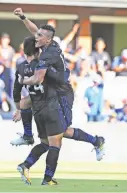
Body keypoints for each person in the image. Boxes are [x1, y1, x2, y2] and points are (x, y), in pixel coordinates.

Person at [12, 8, 105, 161]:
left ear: (47, 39)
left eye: (40, 36)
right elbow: (35, 30)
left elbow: (37, 78)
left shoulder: (50, 52)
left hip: (63, 93)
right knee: (24, 103)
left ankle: (97, 141)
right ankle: (28, 135)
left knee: (63, 131)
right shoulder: (48, 45)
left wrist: (24, 81)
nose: (36, 37)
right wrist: (23, 17)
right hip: (52, 91)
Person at [14, 35, 67, 185]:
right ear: (38, 51)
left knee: (45, 143)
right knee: (55, 145)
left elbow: (16, 90)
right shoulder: (43, 65)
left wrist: (19, 108)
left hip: (37, 111)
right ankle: (47, 179)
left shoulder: (20, 67)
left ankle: (25, 165)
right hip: (50, 108)